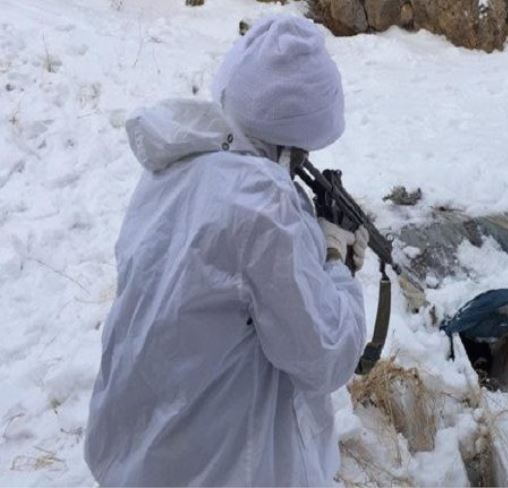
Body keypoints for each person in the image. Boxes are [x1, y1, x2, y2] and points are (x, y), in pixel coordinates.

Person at [84, 15, 368, 486]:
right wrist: (337, 262)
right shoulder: (263, 204)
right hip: (218, 465)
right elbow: (325, 355)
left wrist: (313, 244)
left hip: (141, 447)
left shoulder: (176, 162)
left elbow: (232, 278)